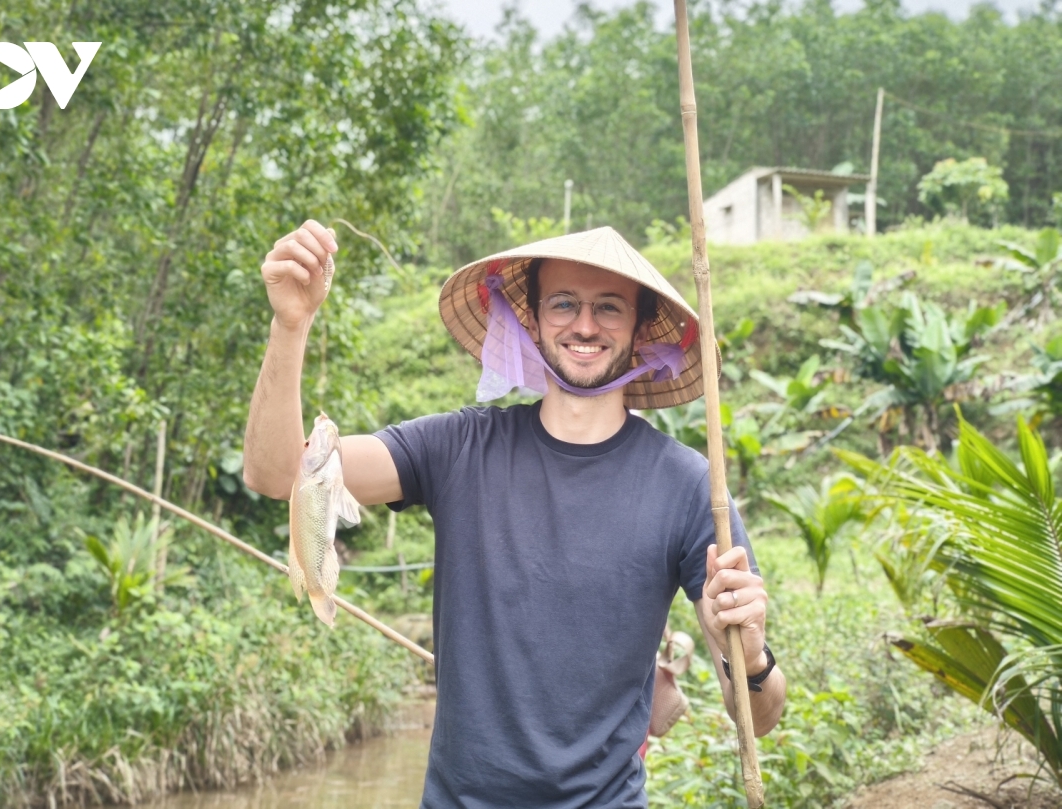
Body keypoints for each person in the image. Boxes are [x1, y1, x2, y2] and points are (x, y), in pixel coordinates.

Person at [244, 220, 787, 809]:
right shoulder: (457, 449)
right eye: (564, 303)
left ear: (639, 328)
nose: (585, 325)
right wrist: (291, 324)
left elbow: (758, 719)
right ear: (531, 318)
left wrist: (751, 658)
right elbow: (278, 474)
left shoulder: (690, 487)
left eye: (609, 307)